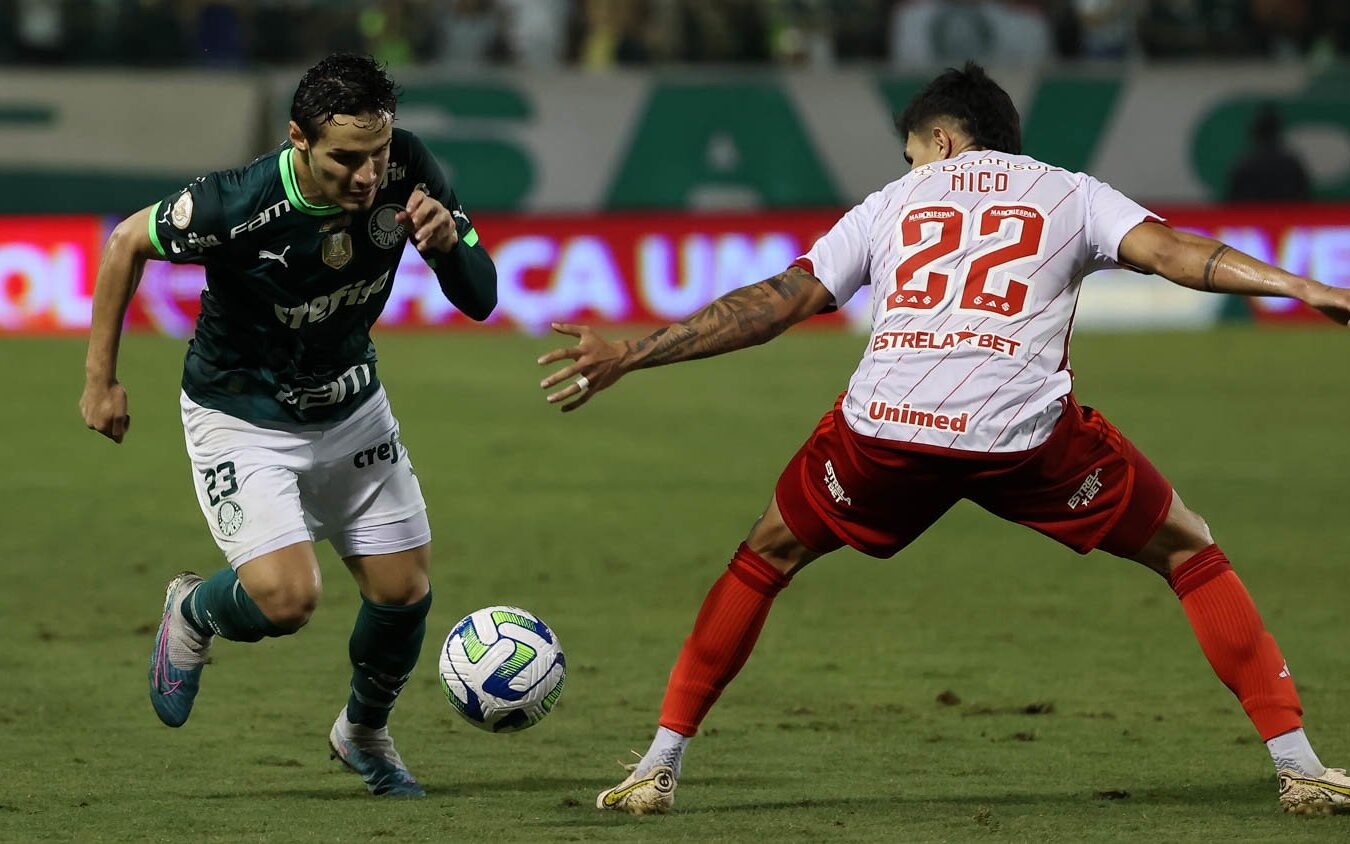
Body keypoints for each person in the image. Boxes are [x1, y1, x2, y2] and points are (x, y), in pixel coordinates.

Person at [538, 62, 1350, 815]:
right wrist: (1300, 284)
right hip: (1021, 434)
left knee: (766, 554)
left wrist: (630, 353)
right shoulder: (1071, 192)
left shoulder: (893, 203)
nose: (911, 168)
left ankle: (659, 763)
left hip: (883, 432)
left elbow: (776, 303)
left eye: (909, 153)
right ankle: (1299, 765)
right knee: (1188, 548)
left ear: (943, 139)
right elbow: (1178, 254)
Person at [80, 52, 497, 798]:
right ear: (298, 138)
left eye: (378, 153)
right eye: (347, 159)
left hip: (351, 403)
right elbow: (123, 245)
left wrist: (450, 246)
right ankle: (194, 607)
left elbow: (481, 296)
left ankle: (363, 734)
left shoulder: (408, 167)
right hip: (242, 413)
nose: (369, 176)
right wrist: (100, 381)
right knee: (287, 600)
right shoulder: (234, 204)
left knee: (404, 592)